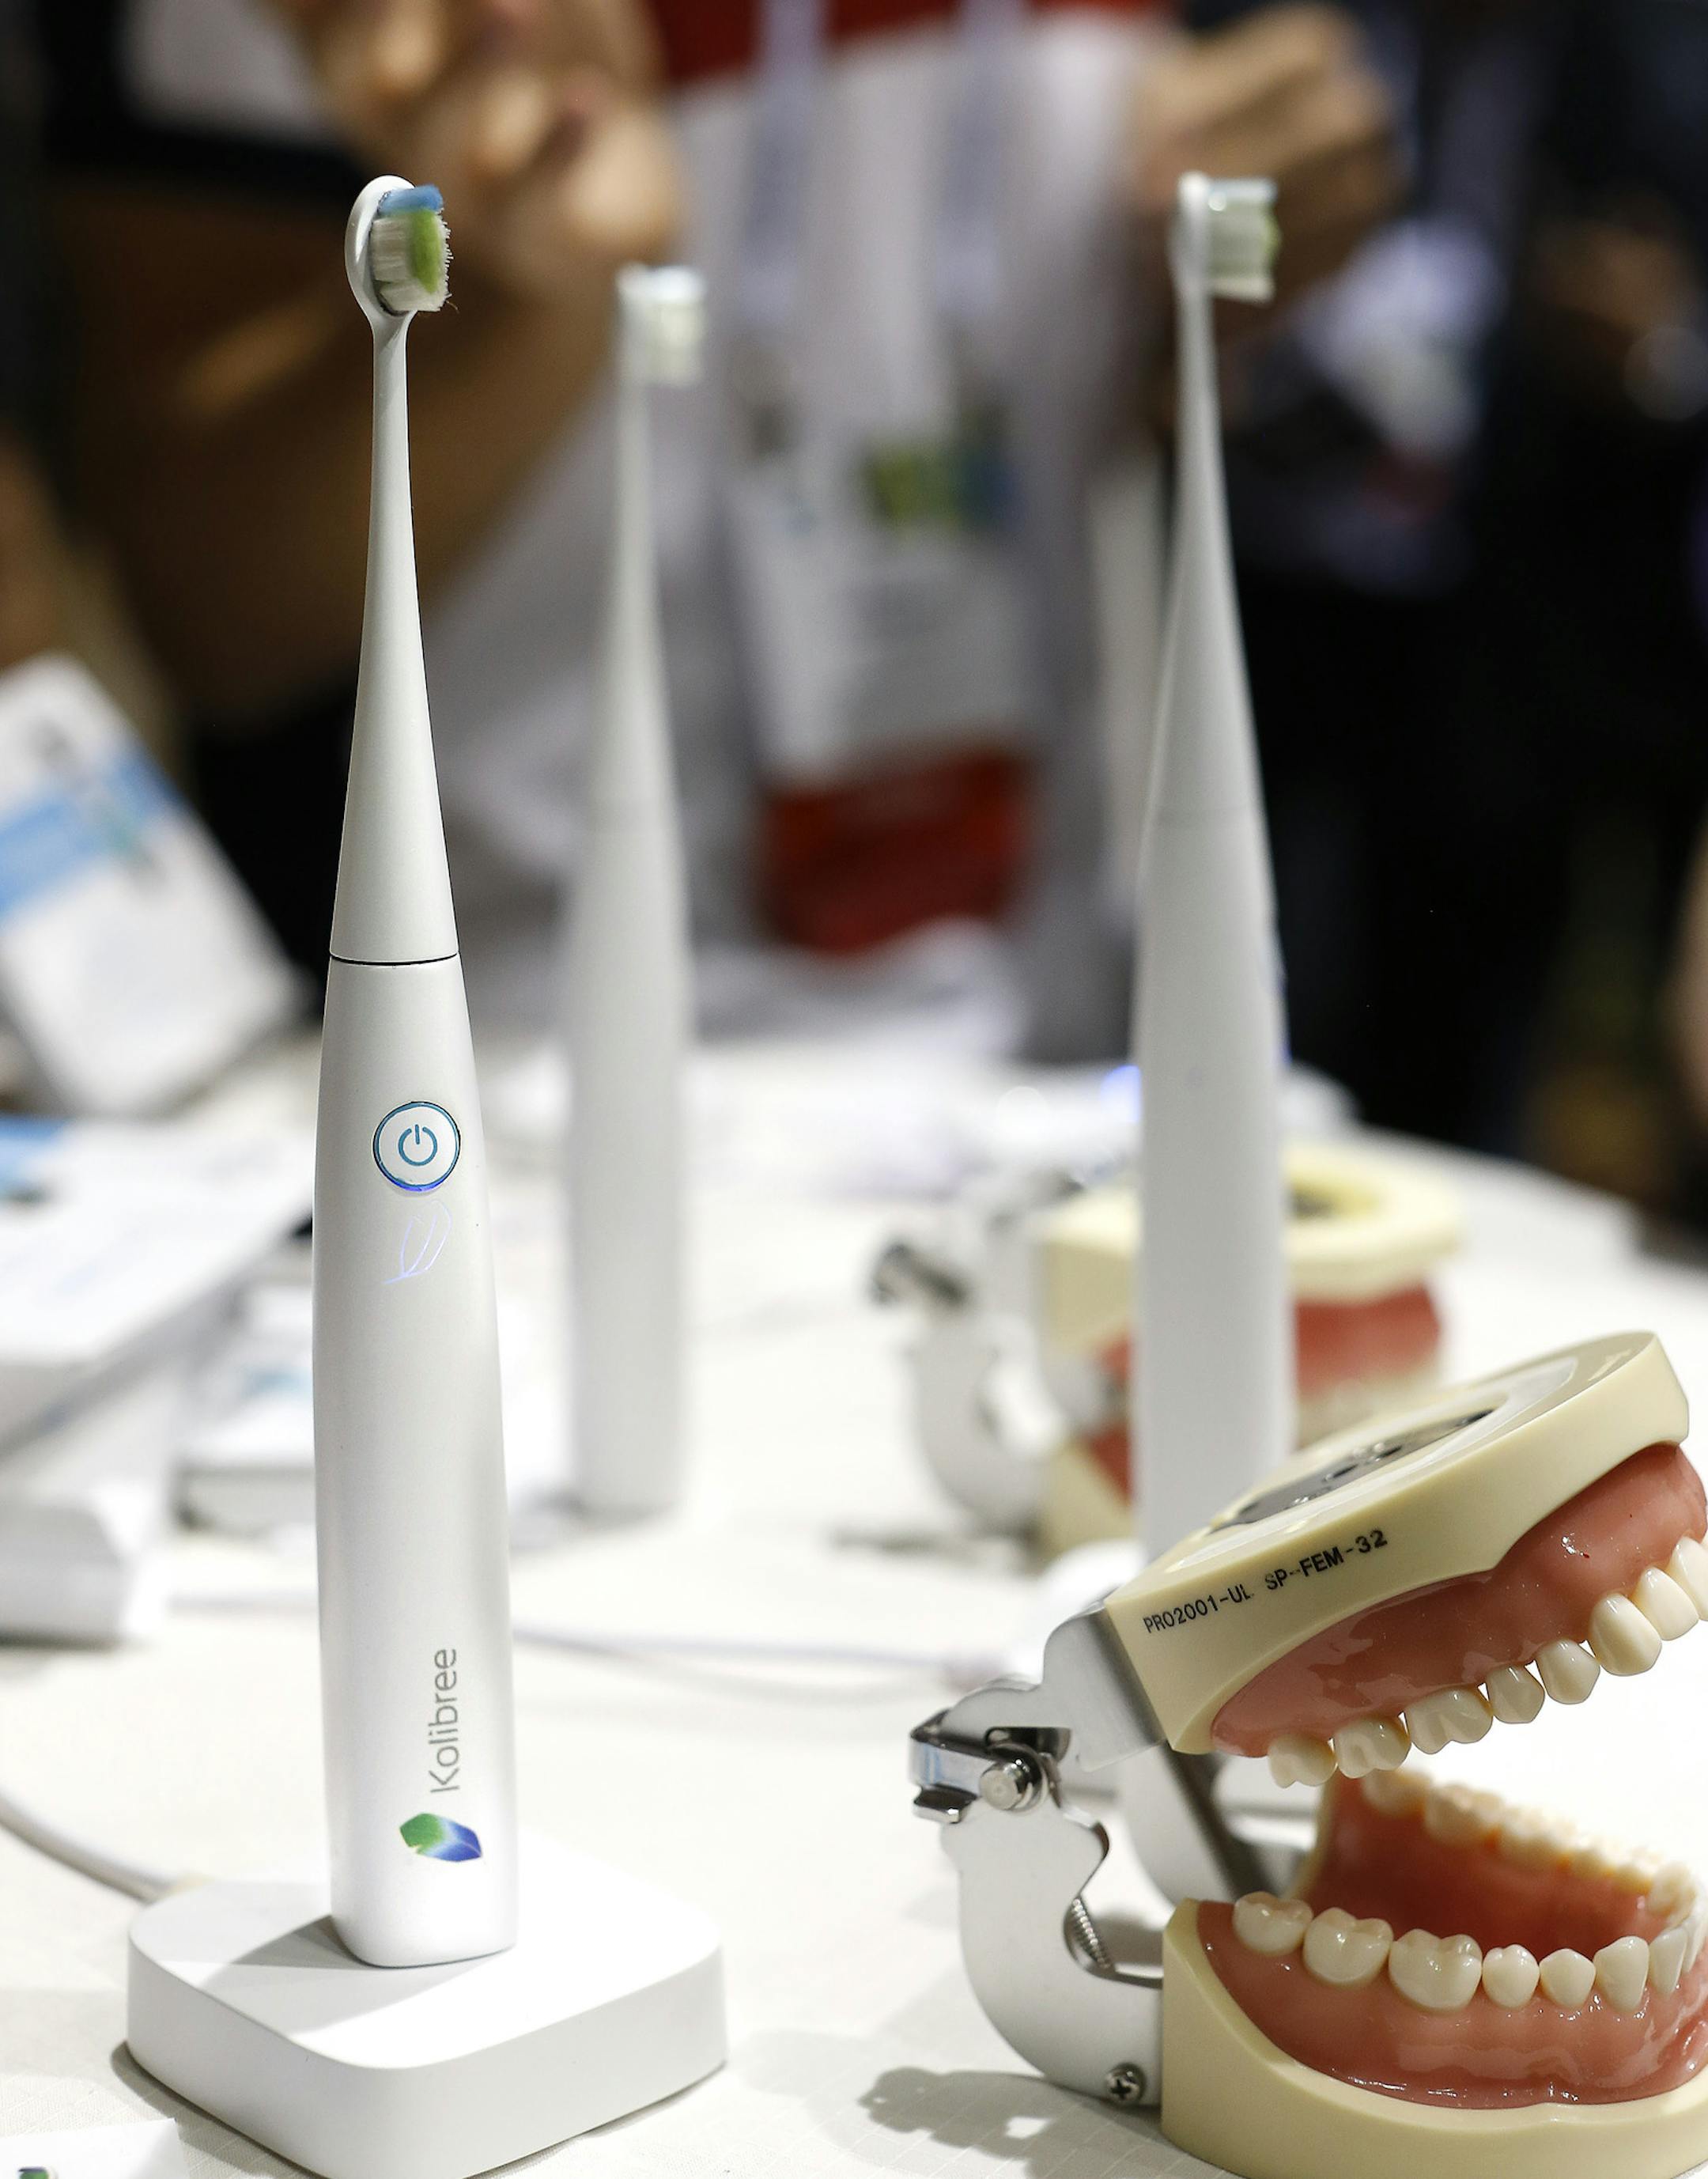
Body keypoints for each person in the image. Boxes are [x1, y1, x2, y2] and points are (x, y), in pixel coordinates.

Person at [31, 0, 1400, 1043]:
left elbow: (1231, 230)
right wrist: (535, 269)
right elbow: (205, 614)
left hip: (1071, 1026)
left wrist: (1258, 228)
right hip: (526, 1051)